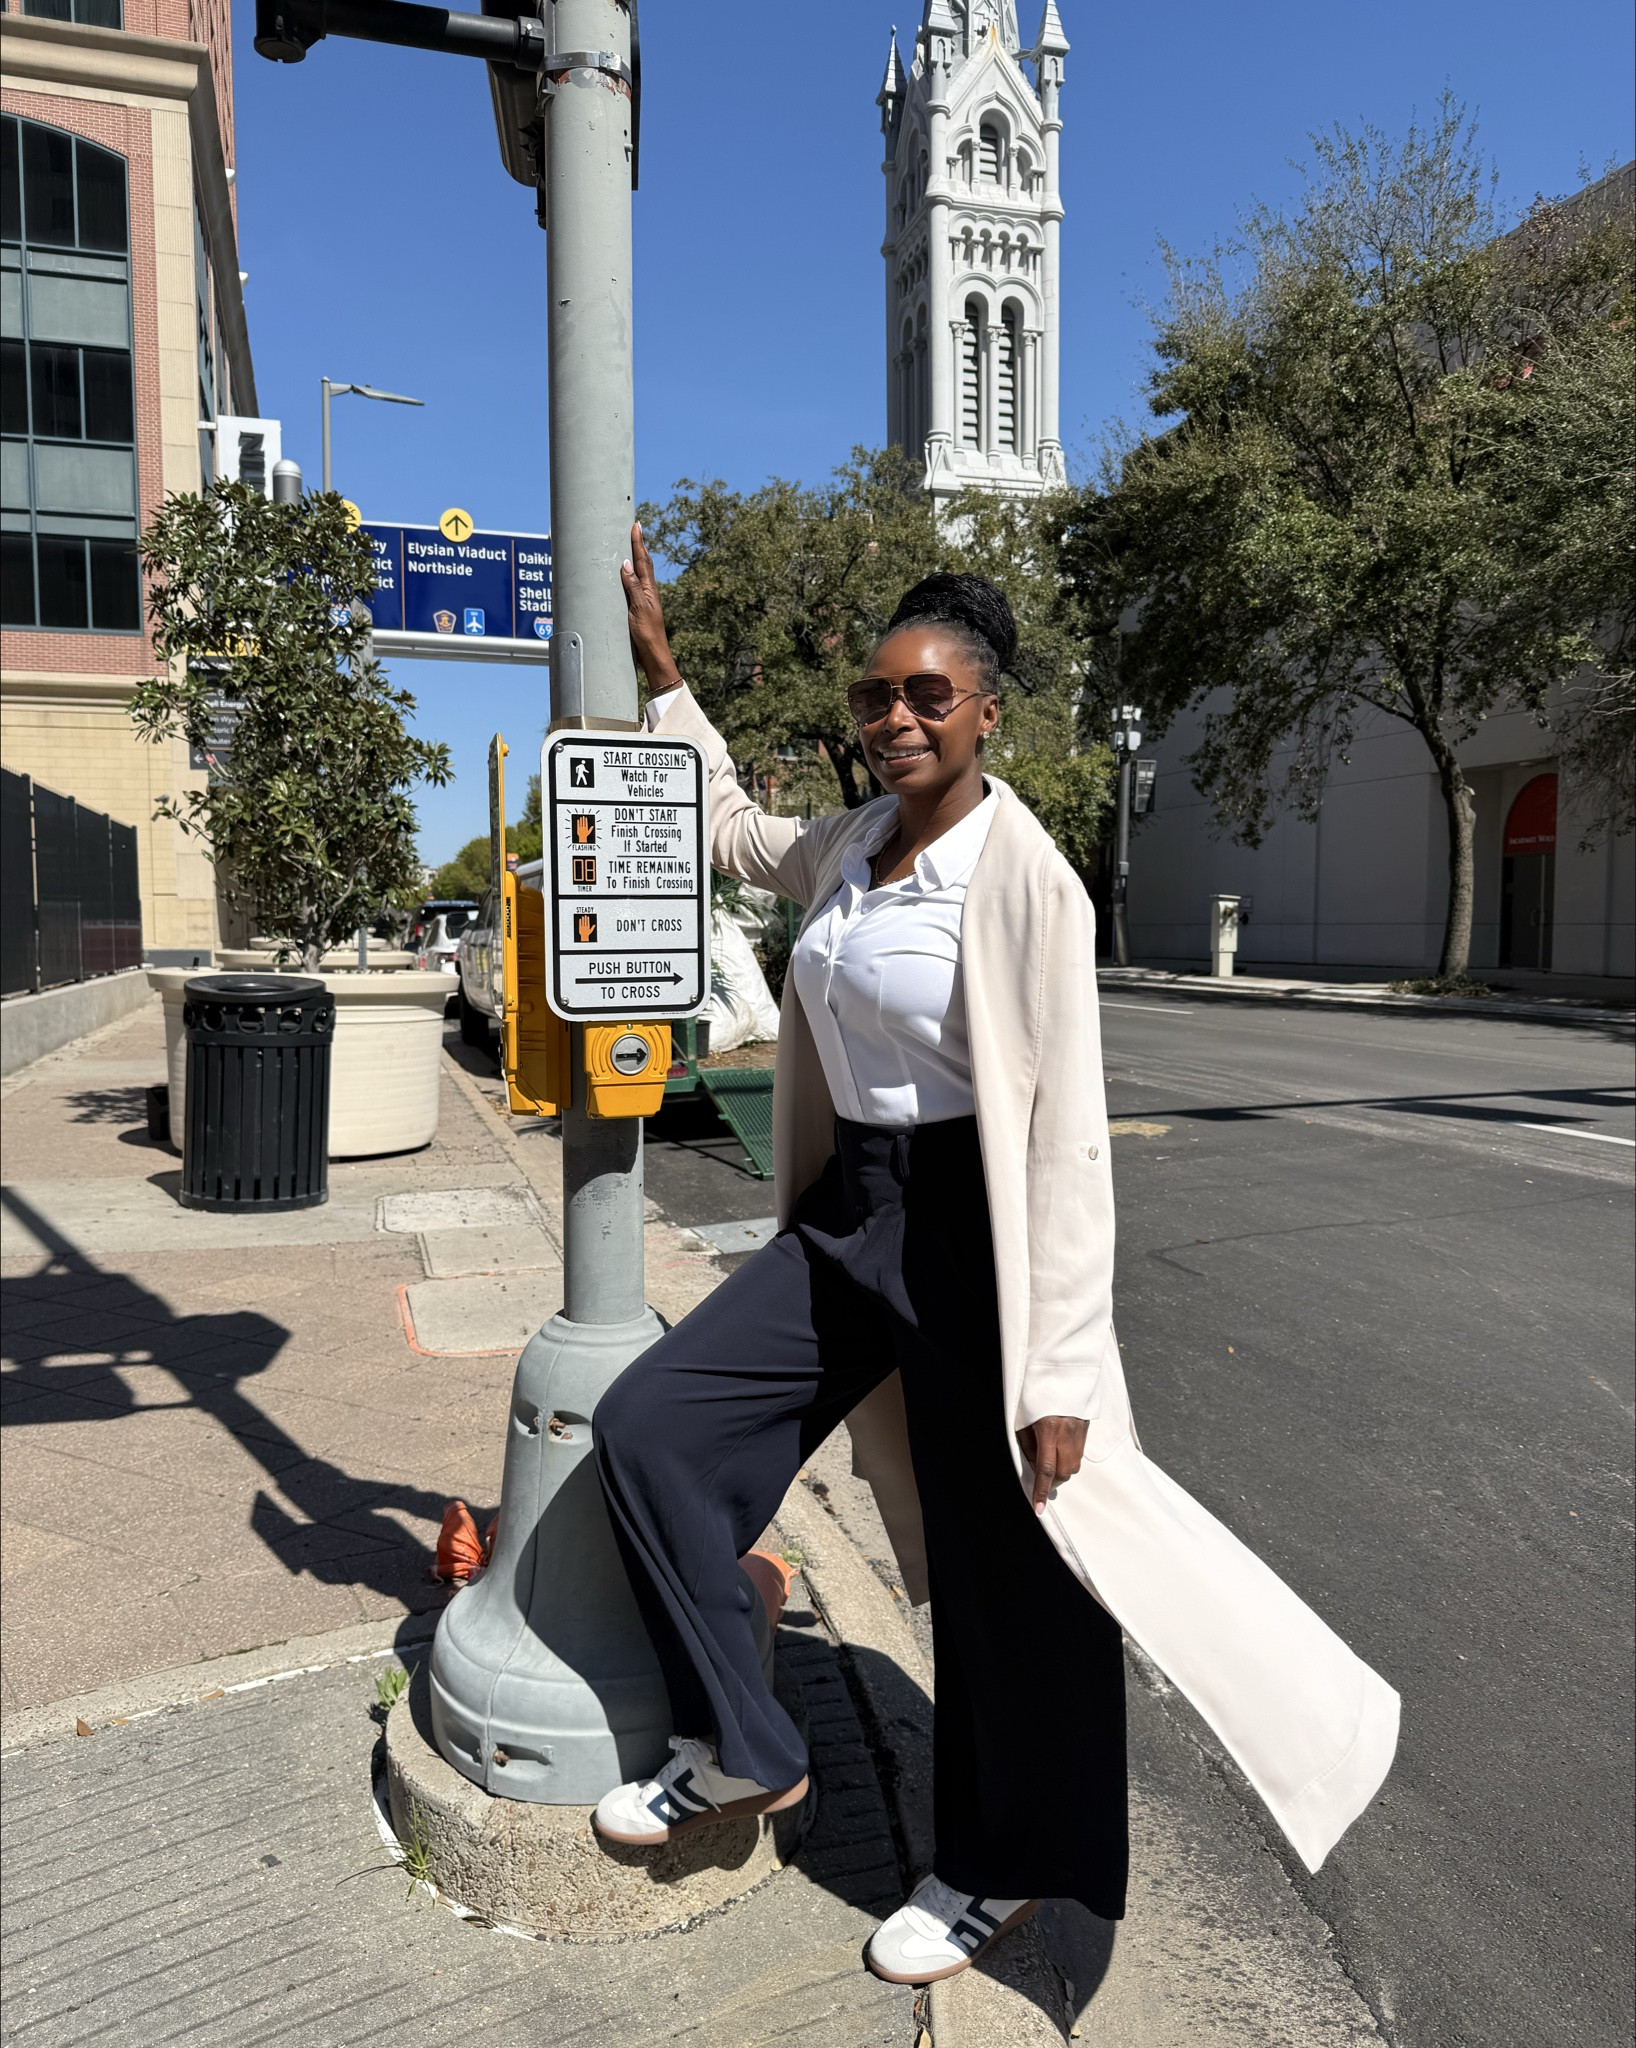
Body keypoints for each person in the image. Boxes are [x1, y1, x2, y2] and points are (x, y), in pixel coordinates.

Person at [591, 526, 1399, 1986]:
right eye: (874, 697)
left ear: (985, 711)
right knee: (652, 1423)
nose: (895, 716)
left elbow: (1068, 1145)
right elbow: (732, 831)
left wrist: (1066, 1371)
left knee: (1003, 1573)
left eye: (927, 695)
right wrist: (666, 679)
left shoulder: (1026, 882)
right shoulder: (851, 846)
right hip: (855, 1214)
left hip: (980, 1233)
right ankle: (747, 1742)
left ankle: (997, 1868)